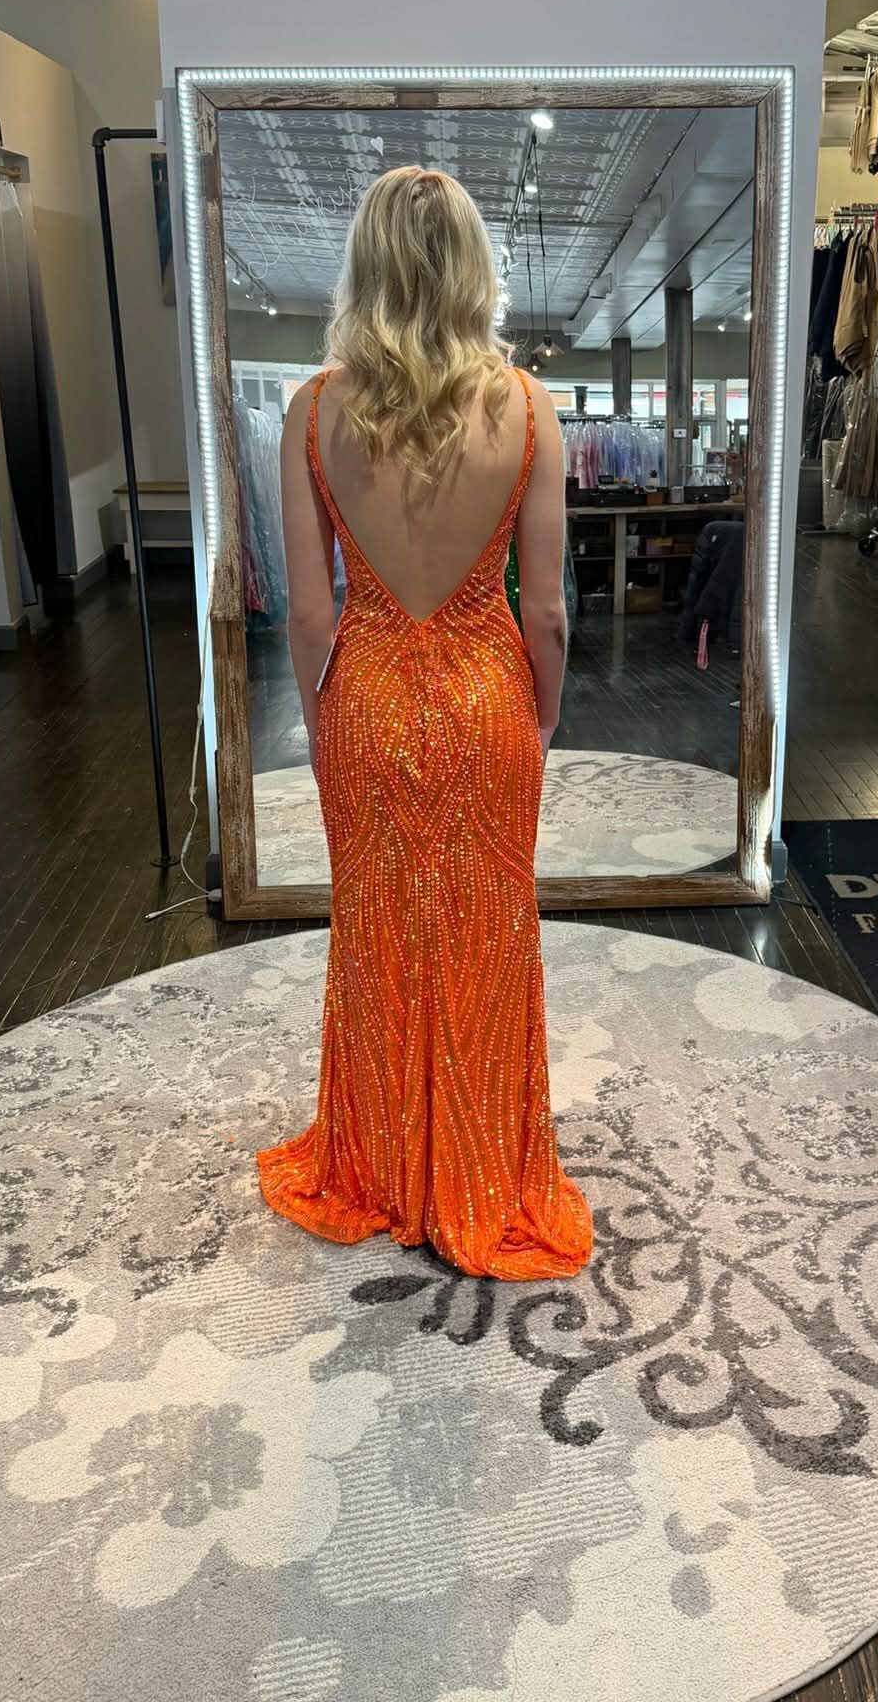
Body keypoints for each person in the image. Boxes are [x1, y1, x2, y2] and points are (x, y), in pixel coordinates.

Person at [257, 165, 594, 1282]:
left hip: (367, 694)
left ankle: (386, 1168)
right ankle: (484, 1169)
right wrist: (544, 708)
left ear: (365, 266)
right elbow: (545, 609)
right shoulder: (528, 408)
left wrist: (325, 724)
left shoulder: (312, 412)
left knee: (377, 932)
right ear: (473, 270)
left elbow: (311, 612)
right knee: (488, 935)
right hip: (488, 693)